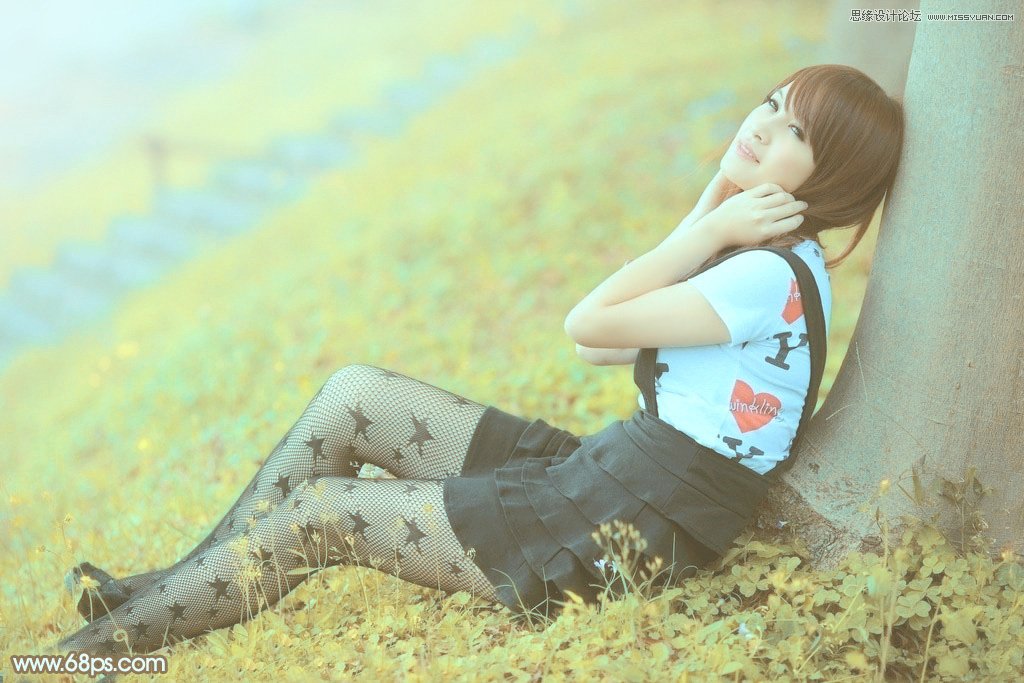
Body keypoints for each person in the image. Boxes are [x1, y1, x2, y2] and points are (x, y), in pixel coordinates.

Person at [56, 63, 904, 657]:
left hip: (626, 521)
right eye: (770, 103)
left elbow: (585, 319)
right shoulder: (769, 256)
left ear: (831, 177)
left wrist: (713, 222)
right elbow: (601, 346)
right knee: (356, 396)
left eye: (794, 130)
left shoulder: (761, 274)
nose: (762, 125)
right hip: (617, 476)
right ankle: (166, 587)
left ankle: (85, 654)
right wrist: (716, 203)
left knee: (317, 514)